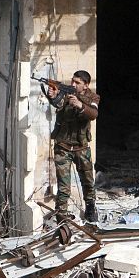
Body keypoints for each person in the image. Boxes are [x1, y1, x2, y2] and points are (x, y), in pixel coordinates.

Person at [45, 70, 100, 223]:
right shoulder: (65, 93)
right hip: (62, 147)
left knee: (88, 181)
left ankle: (90, 208)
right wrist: (54, 96)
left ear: (86, 85)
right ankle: (61, 216)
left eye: (77, 83)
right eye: (72, 81)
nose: (73, 85)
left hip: (81, 148)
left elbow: (93, 114)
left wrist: (80, 105)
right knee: (63, 187)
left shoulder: (93, 97)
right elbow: (58, 104)